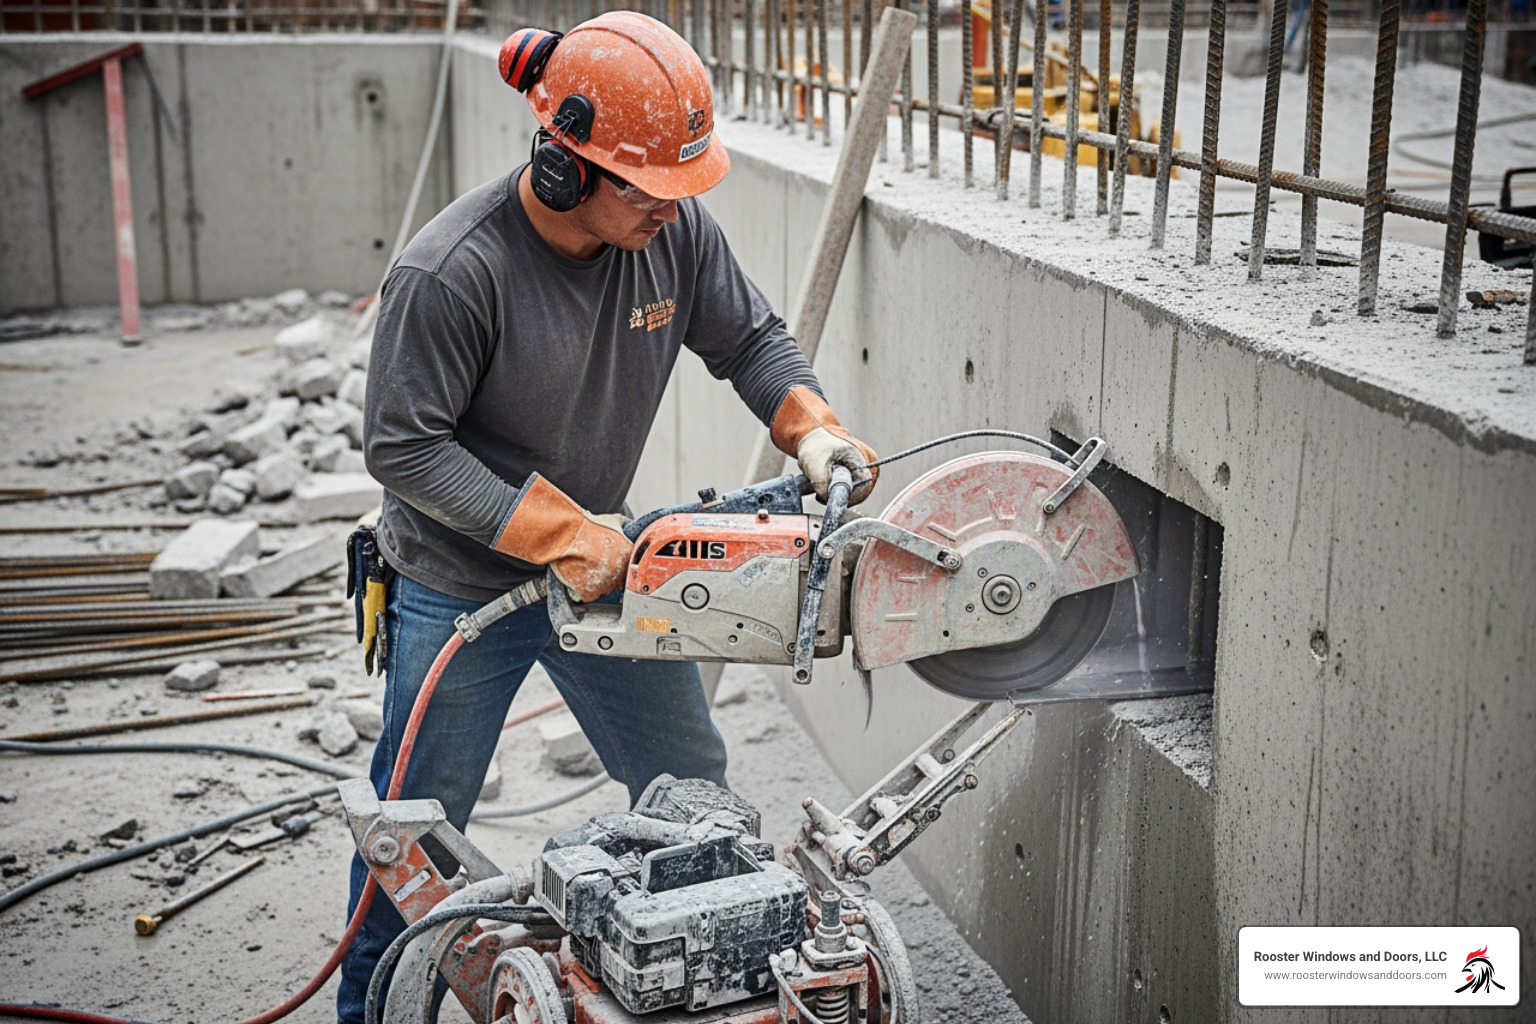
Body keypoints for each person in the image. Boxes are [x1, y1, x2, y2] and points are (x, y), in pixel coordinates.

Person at [337, 11, 879, 1020]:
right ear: (564, 167)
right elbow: (403, 447)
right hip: (457, 595)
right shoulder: (453, 272)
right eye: (654, 189)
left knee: (693, 795)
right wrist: (560, 533)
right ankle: (371, 1006)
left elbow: (751, 336)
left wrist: (812, 428)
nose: (674, 211)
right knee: (411, 841)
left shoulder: (670, 236)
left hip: (603, 573)